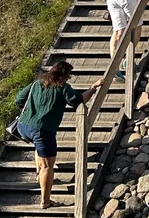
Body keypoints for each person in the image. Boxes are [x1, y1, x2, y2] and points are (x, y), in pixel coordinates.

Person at [15, 61, 103, 208]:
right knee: (48, 166)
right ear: (64, 75)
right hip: (42, 130)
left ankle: (39, 174)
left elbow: (18, 100)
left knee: (40, 150)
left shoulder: (37, 83)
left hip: (24, 126)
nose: (69, 78)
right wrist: (93, 88)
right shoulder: (63, 88)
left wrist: (32, 111)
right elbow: (79, 100)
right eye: (69, 75)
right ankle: (45, 201)